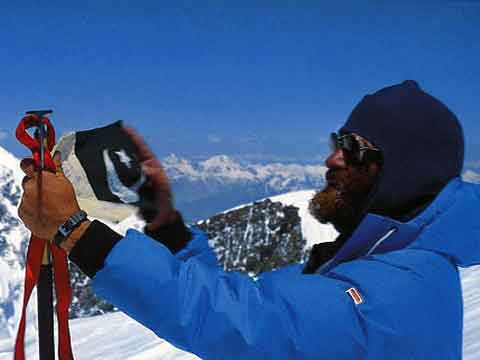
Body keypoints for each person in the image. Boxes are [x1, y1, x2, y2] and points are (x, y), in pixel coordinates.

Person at [18, 80, 480, 359]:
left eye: (352, 147)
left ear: (403, 168)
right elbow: (232, 297)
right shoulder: (381, 265)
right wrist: (164, 218)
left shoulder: (402, 294)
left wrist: (73, 229)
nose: (332, 158)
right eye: (337, 141)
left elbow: (243, 323)